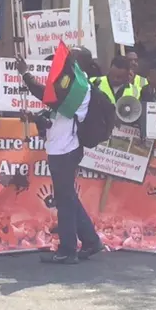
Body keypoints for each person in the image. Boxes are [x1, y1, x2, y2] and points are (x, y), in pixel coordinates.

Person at [16, 47, 103, 264]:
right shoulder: (71, 83)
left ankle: (67, 250)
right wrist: (37, 118)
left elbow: (49, 98)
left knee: (64, 200)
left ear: (76, 62)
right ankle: (91, 241)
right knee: (68, 197)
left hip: (66, 149)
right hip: (60, 146)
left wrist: (26, 74)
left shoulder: (79, 86)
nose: (62, 61)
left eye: (68, 57)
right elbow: (57, 115)